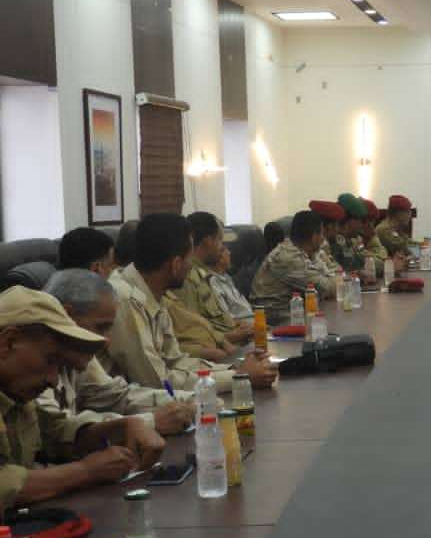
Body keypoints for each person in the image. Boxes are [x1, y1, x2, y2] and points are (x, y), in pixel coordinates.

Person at [0, 286, 163, 508]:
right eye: (50, 360)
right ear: (8, 343)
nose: (53, 380)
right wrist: (86, 471)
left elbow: (54, 433)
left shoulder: (14, 393)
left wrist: (120, 427)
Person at [104, 213, 277, 392]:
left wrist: (235, 369)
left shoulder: (153, 290)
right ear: (176, 265)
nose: (191, 265)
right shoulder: (123, 300)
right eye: (189, 258)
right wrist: (239, 377)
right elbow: (158, 382)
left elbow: (177, 362)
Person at [38, 269, 194, 436]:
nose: (107, 341)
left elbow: (117, 397)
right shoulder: (33, 359)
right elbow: (57, 429)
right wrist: (151, 422)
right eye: (100, 327)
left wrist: (188, 401)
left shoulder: (76, 352)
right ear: (66, 315)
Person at [173, 212, 252, 345]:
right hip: (222, 349)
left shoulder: (203, 275)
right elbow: (192, 335)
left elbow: (215, 321)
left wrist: (236, 324)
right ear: (208, 241)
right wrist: (233, 336)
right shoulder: (187, 278)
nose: (222, 248)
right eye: (220, 240)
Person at [251, 209, 337, 323]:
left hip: (293, 311)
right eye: (321, 234)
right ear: (314, 237)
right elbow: (329, 288)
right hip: (273, 319)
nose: (323, 239)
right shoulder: (289, 258)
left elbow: (336, 276)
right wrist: (334, 279)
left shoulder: (307, 251)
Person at [210, 246, 254, 324]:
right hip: (245, 327)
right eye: (225, 250)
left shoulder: (227, 277)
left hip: (254, 321)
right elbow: (227, 318)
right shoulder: (214, 283)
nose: (229, 253)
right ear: (220, 258)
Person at [309, 200, 348, 276]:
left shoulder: (329, 243)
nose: (338, 229)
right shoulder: (320, 246)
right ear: (330, 226)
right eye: (337, 225)